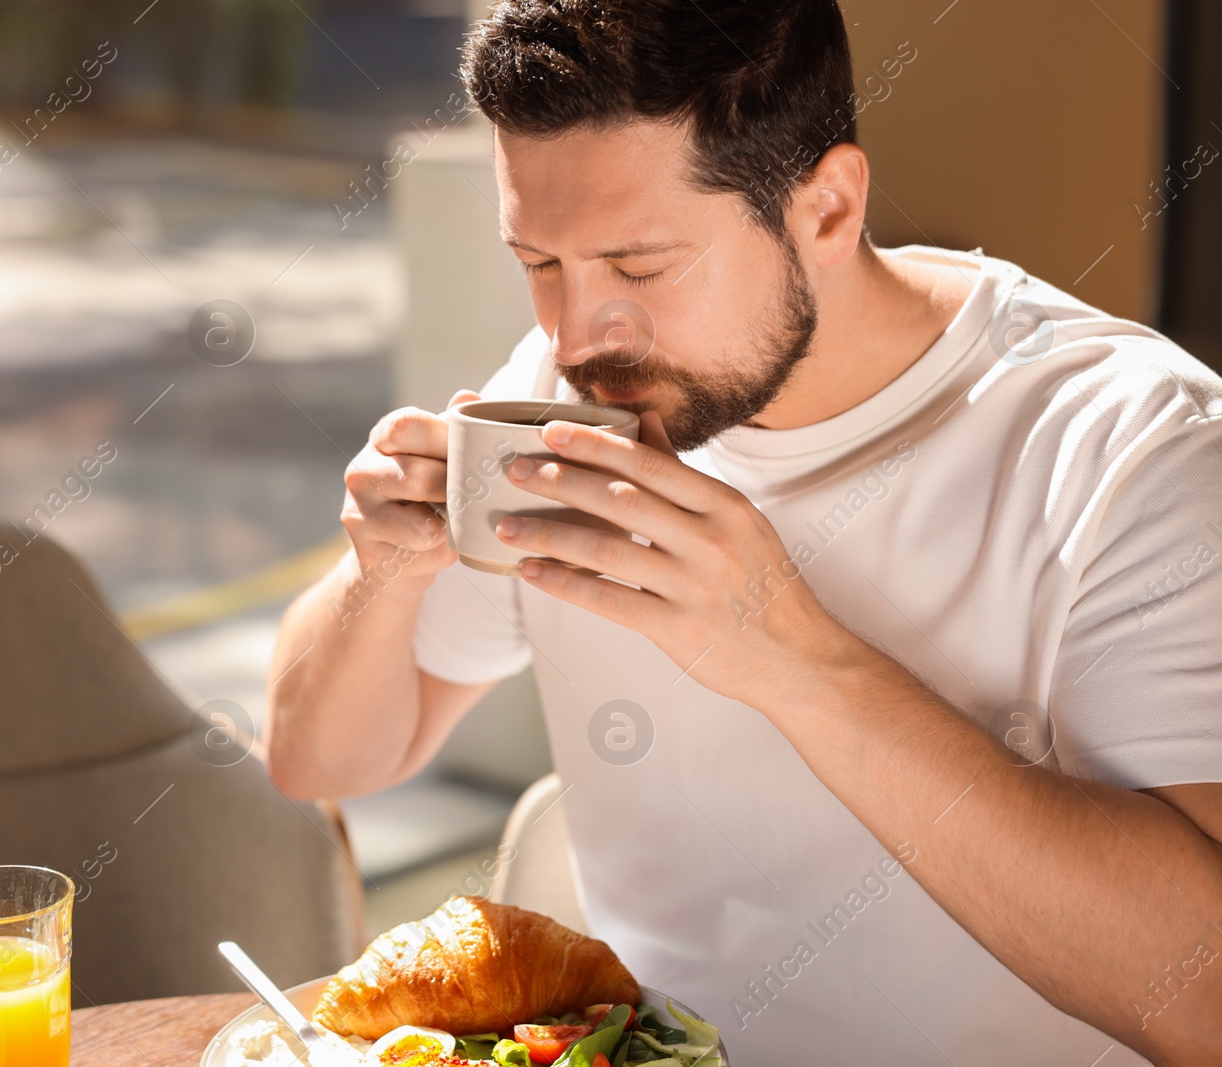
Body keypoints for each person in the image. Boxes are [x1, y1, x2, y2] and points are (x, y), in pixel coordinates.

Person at [262, 1, 1222, 1063]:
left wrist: (791, 660)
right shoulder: (566, 398)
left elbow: (1205, 998)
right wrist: (380, 580)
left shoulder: (1134, 445)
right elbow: (317, 759)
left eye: (640, 266)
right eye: (540, 262)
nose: (577, 335)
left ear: (827, 207)